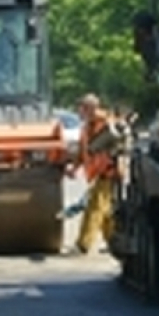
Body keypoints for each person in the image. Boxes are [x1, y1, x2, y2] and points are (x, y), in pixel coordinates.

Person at [64, 93, 120, 255]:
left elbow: (117, 148)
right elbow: (84, 151)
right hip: (99, 173)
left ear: (90, 108)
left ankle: (83, 244)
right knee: (105, 210)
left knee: (94, 208)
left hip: (109, 172)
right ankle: (113, 241)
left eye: (81, 108)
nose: (78, 112)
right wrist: (74, 168)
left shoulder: (107, 124)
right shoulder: (88, 126)